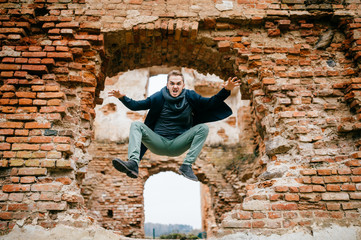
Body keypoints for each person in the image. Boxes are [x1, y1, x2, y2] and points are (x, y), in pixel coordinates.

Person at [108, 70, 241, 181]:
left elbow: (210, 103)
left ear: (183, 85)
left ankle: (187, 166)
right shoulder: (158, 97)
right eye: (172, 83)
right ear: (167, 85)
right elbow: (137, 105)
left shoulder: (190, 96)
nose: (175, 87)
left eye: (178, 84)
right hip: (158, 143)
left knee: (203, 128)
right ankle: (133, 163)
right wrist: (121, 97)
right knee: (136, 125)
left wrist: (226, 90)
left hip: (179, 144)